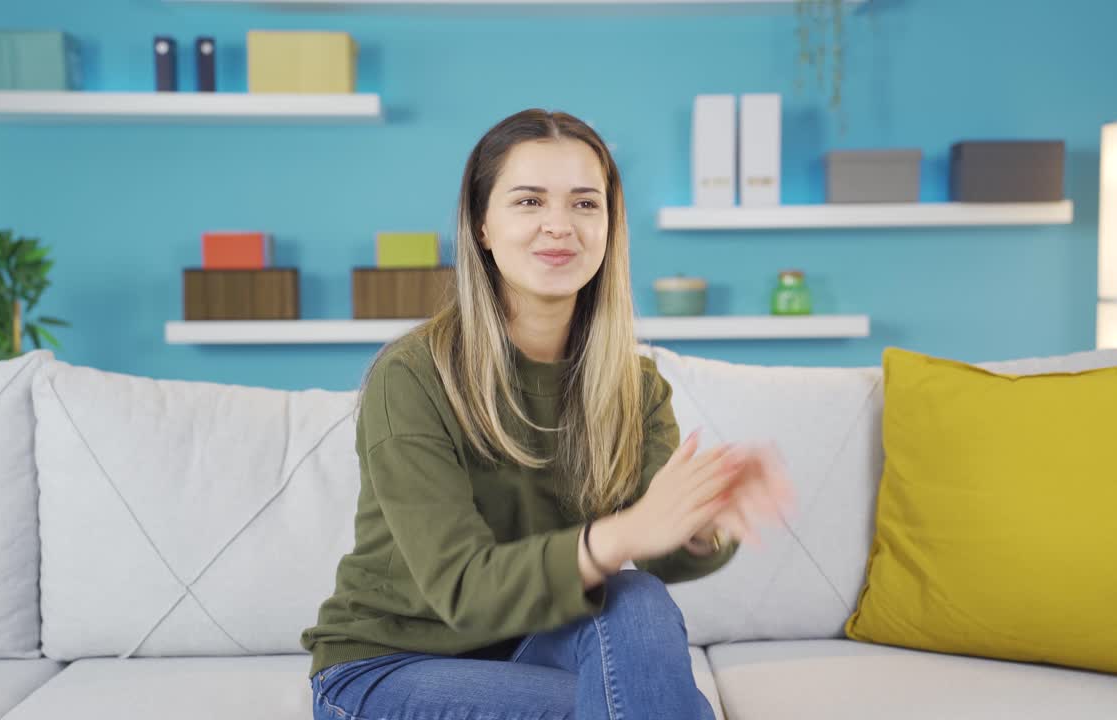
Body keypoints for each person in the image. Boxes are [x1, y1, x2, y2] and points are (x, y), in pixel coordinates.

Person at [300, 108, 795, 720]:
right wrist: (623, 534)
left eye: (585, 204)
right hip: (386, 668)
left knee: (635, 597)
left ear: (610, 226)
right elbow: (462, 589)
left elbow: (664, 558)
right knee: (648, 707)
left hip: (535, 648)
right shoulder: (413, 376)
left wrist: (700, 517)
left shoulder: (633, 385)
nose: (559, 226)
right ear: (482, 226)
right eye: (529, 202)